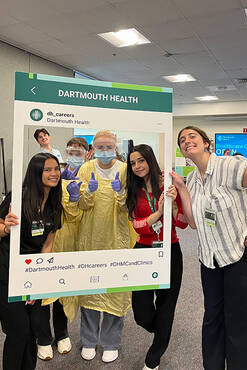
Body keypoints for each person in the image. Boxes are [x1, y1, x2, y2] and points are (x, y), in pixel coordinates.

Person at [171, 126, 247, 370]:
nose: (186, 141)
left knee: (236, 319)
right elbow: (193, 222)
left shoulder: (228, 165)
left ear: (206, 143)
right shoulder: (192, 179)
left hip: (237, 255)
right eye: (182, 140)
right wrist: (181, 189)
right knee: (212, 317)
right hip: (209, 259)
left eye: (192, 136)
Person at [65, 130, 135, 363]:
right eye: (100, 147)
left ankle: (111, 342)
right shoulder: (86, 169)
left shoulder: (126, 171)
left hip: (117, 238)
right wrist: (87, 194)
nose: (105, 151)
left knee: (116, 289)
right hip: (91, 238)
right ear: (93, 149)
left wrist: (121, 193)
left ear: (115, 148)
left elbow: (129, 209)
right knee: (91, 288)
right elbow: (82, 205)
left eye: (109, 147)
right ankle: (88, 340)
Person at [126, 144, 188, 370]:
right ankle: (162, 328)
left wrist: (174, 201)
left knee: (166, 305)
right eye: (133, 163)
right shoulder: (133, 190)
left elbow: (182, 222)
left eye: (141, 160)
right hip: (143, 251)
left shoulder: (167, 187)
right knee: (141, 314)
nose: (137, 166)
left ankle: (153, 359)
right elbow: (137, 226)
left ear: (150, 160)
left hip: (170, 251)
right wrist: (159, 213)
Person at [0, 153, 63, 370]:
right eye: (47, 169)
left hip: (32, 273)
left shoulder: (55, 204)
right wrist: (6, 227)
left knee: (32, 331)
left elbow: (47, 245)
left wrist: (39, 281)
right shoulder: (17, 197)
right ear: (36, 172)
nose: (54, 173)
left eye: (56, 169)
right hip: (7, 272)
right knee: (18, 330)